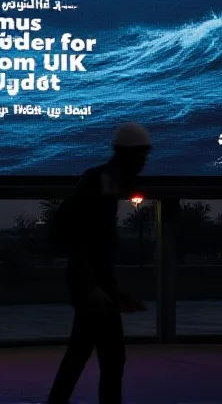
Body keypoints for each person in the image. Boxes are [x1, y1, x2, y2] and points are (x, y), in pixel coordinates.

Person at [47, 122, 151, 404]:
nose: (144, 163)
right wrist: (92, 286)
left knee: (83, 353)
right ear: (127, 154)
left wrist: (114, 291)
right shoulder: (99, 183)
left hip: (92, 284)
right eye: (142, 155)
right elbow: (80, 239)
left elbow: (96, 247)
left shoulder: (107, 183)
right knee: (111, 357)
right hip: (89, 284)